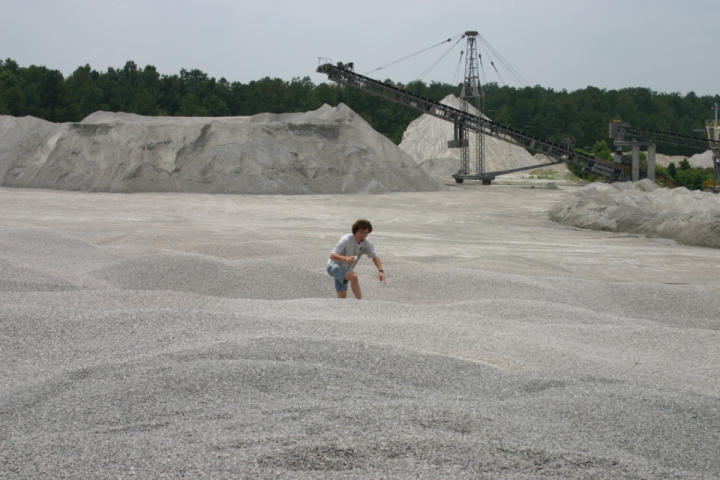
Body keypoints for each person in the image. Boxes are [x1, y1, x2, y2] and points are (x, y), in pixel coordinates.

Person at [326, 219, 385, 299]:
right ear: (355, 231)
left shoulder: (367, 243)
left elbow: (375, 257)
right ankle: (360, 302)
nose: (363, 235)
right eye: (361, 232)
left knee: (342, 297)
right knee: (354, 277)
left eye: (366, 233)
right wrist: (345, 258)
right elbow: (332, 255)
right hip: (333, 266)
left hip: (346, 270)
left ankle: (340, 308)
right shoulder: (346, 239)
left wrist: (380, 271)